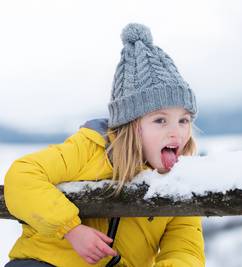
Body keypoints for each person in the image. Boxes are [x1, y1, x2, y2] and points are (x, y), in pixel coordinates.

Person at [4, 23, 205, 267]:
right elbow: (23, 175)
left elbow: (185, 249)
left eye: (184, 120)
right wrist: (71, 229)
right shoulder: (90, 149)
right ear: (130, 125)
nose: (176, 131)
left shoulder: (181, 182)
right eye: (160, 120)